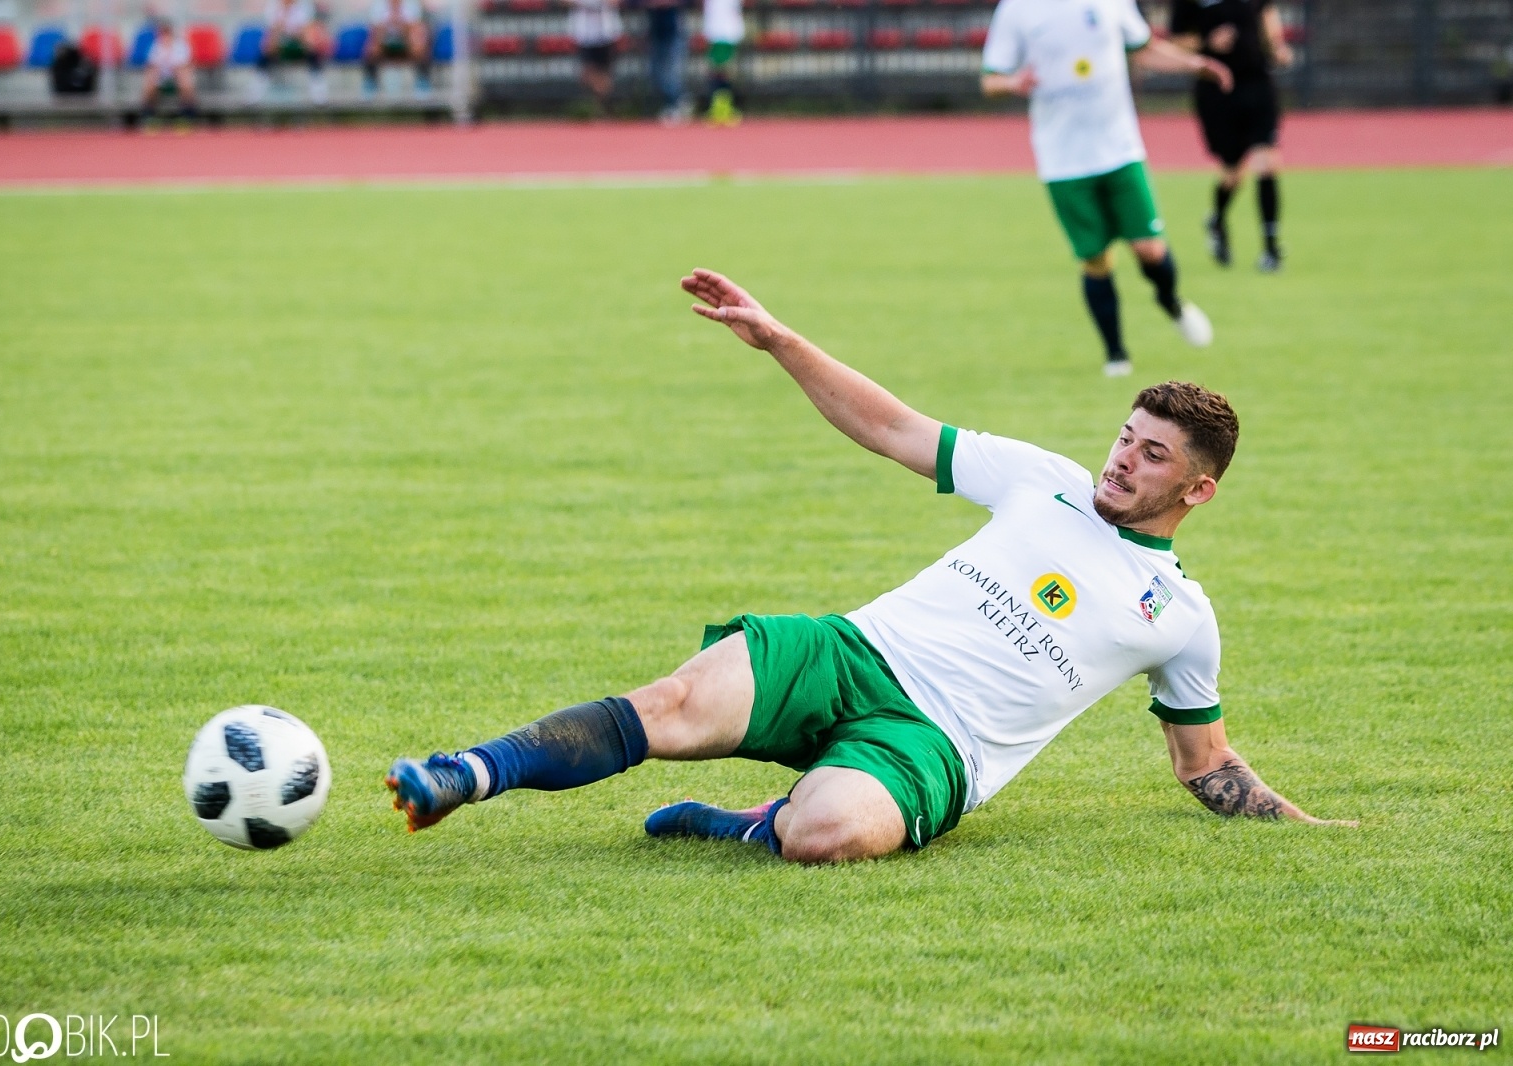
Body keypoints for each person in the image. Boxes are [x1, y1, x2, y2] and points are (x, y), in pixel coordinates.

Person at [385, 269, 1356, 864]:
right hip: (857, 649)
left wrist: (1308, 831)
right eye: (1125, 436)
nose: (1122, 458)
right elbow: (893, 426)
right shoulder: (1042, 480)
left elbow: (1206, 763)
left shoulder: (1178, 616)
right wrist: (777, 340)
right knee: (671, 704)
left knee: (830, 836)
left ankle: (751, 824)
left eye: (1153, 455)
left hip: (939, 743)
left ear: (1198, 489)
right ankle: (462, 775)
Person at [980, 0, 1233, 377]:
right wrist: (1014, 83)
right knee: (1096, 258)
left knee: (1149, 248)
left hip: (1120, 149)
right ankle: (1116, 354)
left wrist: (1195, 65)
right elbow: (990, 79)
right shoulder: (1017, 9)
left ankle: (1170, 301)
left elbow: (1144, 50)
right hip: (1063, 159)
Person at [1171, 0, 1293, 272]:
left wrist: (1277, 46)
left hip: (1257, 84)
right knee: (1233, 172)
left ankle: (1271, 248)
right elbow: (1175, 41)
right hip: (1217, 91)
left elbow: (1267, 13)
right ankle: (1217, 221)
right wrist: (1207, 41)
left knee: (1267, 162)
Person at [256, 0, 333, 104]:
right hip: (281, 44)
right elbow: (273, 33)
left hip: (298, 43)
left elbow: (306, 33)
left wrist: (301, 40)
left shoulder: (304, 5)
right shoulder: (273, 6)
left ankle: (318, 92)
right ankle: (256, 92)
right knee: (265, 53)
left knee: (313, 51)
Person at [363, 0, 432, 97]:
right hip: (384, 42)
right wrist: (390, 24)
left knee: (419, 45)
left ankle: (422, 80)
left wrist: (400, 24)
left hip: (406, 42)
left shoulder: (412, 4)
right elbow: (376, 30)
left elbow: (415, 28)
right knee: (371, 47)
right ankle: (371, 81)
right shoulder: (378, 5)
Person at [139, 19, 199, 123]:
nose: (164, 37)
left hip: (177, 77)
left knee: (184, 79)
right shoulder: (156, 46)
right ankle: (149, 116)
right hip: (161, 77)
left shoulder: (181, 46)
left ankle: (187, 116)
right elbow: (152, 65)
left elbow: (183, 65)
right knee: (150, 79)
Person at [568, 0, 622, 114]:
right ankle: (601, 105)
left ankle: (601, 108)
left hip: (606, 33)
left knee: (605, 74)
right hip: (584, 34)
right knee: (587, 74)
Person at [645, 0, 690, 123]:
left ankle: (674, 104)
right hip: (656, 32)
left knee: (670, 72)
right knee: (655, 72)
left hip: (673, 32)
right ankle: (679, 100)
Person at [701, 0, 742, 125]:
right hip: (718, 30)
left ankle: (722, 109)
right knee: (718, 70)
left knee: (722, 70)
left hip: (723, 31)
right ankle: (721, 107)